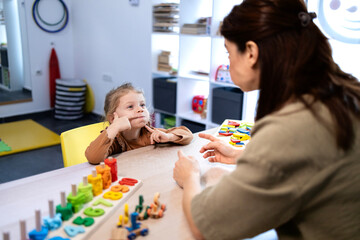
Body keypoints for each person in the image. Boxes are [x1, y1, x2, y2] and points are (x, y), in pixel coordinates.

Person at [173, 0, 360, 239]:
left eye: (229, 54)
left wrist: (189, 176)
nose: (228, 63)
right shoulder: (345, 92)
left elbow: (205, 225)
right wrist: (245, 156)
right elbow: (315, 163)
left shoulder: (291, 128)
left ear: (251, 52)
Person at [86, 83, 193, 164]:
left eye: (142, 105)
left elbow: (188, 135)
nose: (140, 109)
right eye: (130, 107)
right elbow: (92, 157)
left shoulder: (150, 133)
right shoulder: (114, 140)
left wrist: (169, 136)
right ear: (113, 118)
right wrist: (115, 126)